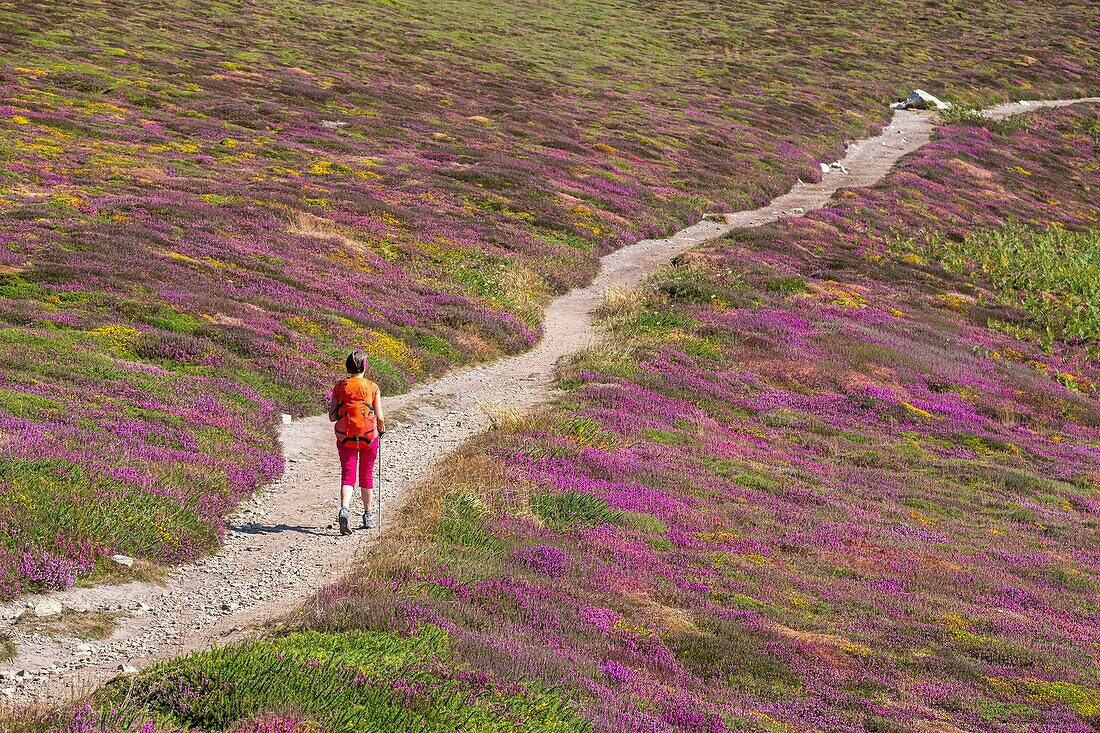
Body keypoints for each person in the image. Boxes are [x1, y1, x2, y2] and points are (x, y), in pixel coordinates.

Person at [328, 349, 384, 535]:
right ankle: (368, 516)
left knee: (348, 475)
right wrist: (380, 430)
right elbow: (381, 417)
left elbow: (331, 417)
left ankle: (344, 509)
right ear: (365, 366)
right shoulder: (372, 387)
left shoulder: (339, 387)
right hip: (368, 436)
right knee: (366, 475)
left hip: (345, 436)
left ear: (347, 366)